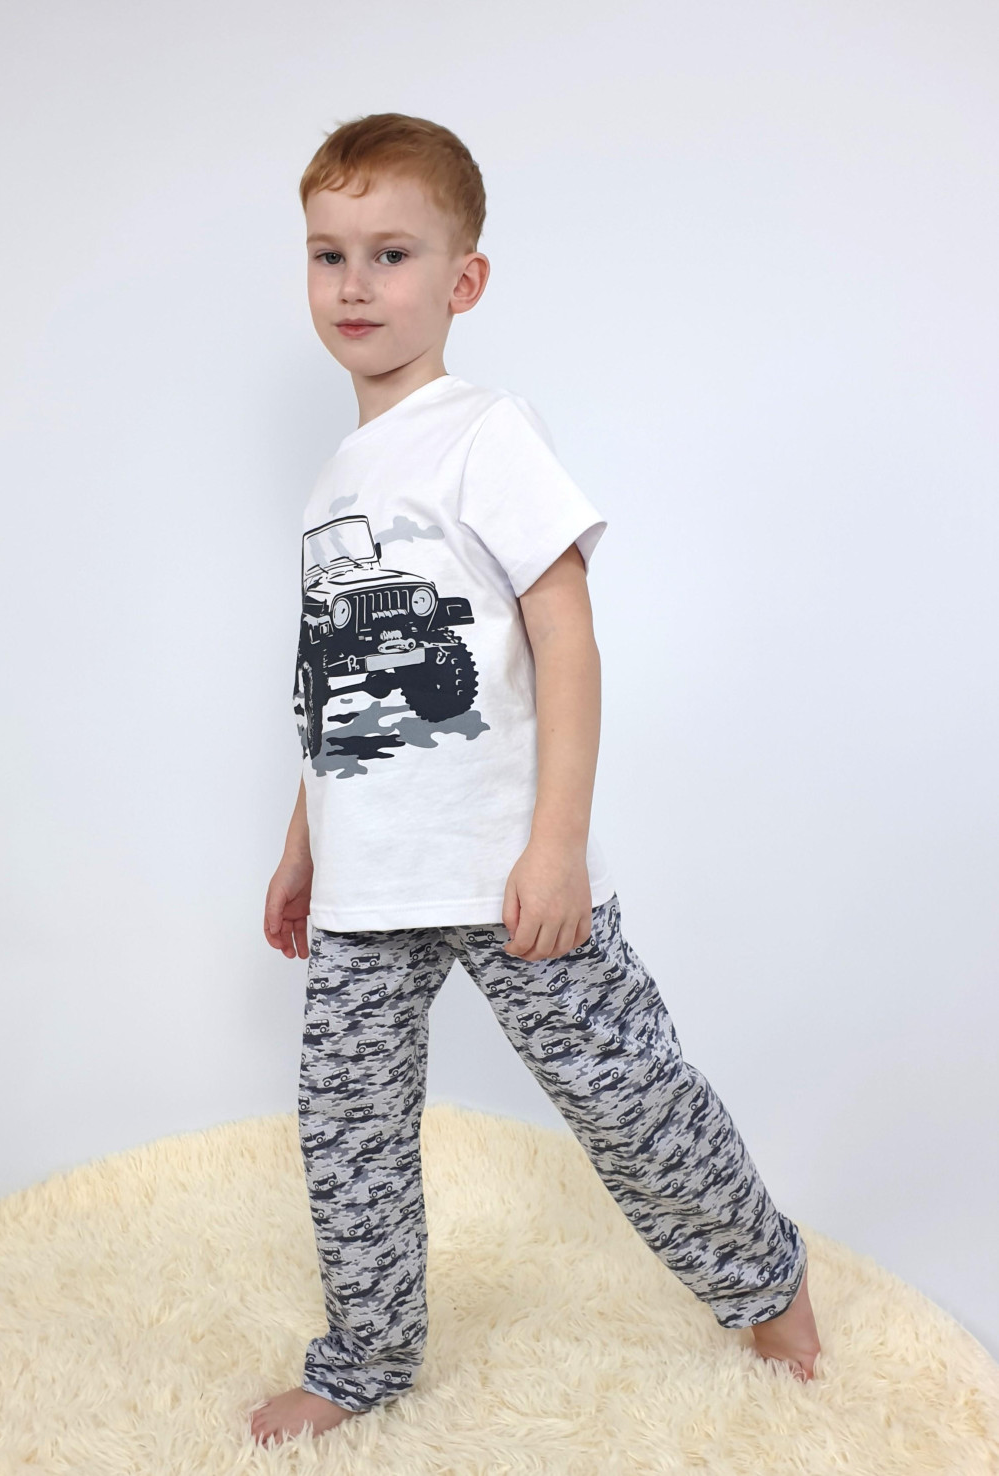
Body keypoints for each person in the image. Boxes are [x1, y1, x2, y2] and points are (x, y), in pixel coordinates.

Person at [250, 112, 821, 1449]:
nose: (354, 284)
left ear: (464, 279)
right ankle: (365, 1357)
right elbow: (337, 690)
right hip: (369, 882)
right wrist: (303, 843)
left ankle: (766, 1281)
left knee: (627, 1100)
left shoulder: (483, 432)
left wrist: (556, 843)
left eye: (391, 254)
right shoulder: (335, 481)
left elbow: (566, 634)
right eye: (329, 254)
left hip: (508, 864)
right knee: (347, 1134)